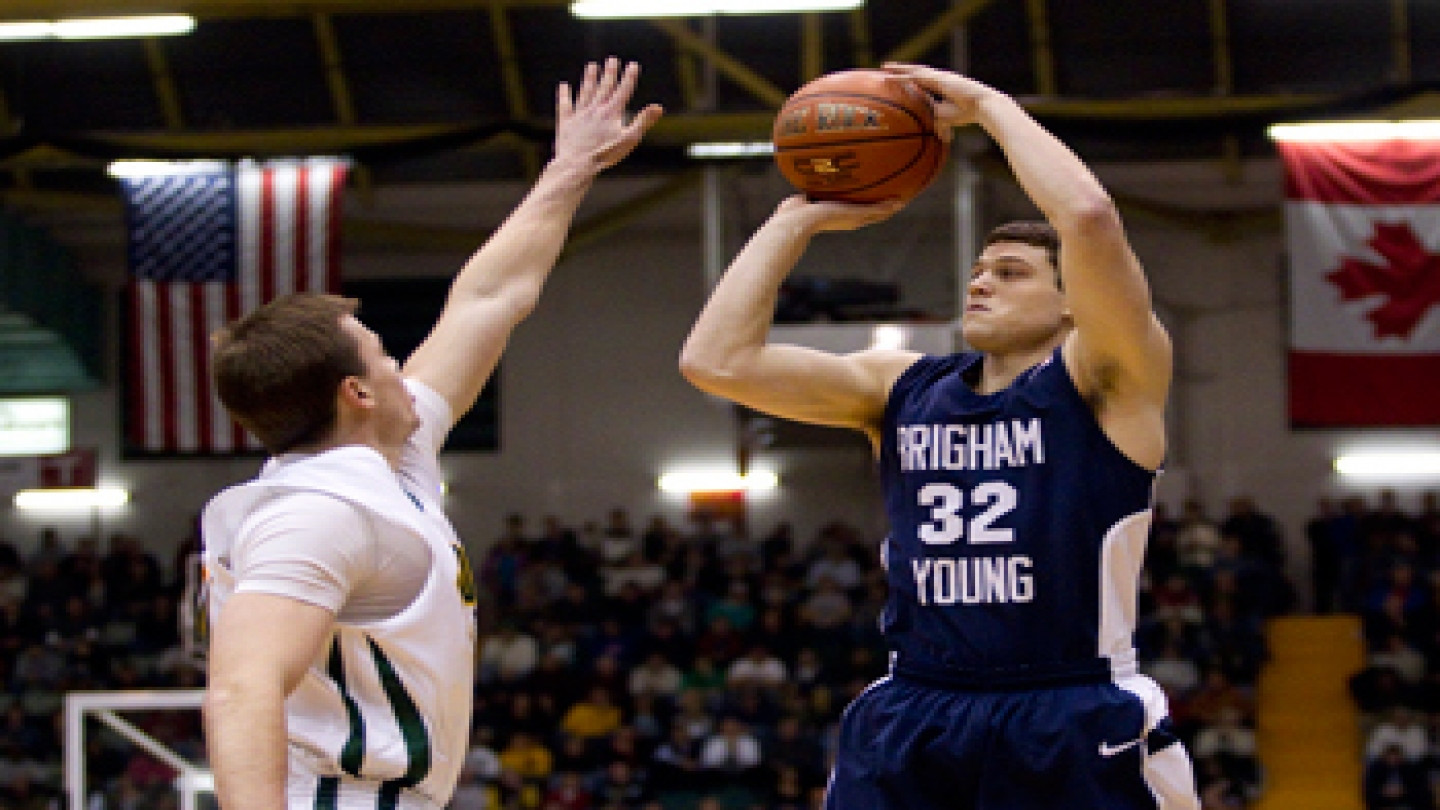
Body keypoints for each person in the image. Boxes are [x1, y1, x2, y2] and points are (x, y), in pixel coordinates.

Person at [679, 62, 1199, 809]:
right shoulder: (901, 386)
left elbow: (1086, 217)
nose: (980, 283)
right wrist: (797, 219)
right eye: (980, 270)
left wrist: (991, 106)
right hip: (915, 705)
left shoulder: (1105, 382)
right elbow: (715, 360)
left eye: (1013, 273)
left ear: (1071, 306)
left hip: (1067, 706)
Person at [200, 57, 661, 810]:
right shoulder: (315, 515)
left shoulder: (388, 462)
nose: (400, 366)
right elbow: (241, 687)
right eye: (384, 354)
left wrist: (571, 166)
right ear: (355, 393)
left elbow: (490, 296)